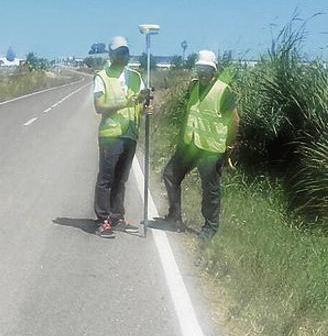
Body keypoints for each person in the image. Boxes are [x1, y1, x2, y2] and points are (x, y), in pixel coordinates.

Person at [159, 50, 239, 240]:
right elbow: (191, 113)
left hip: (211, 149)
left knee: (210, 189)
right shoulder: (194, 86)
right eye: (200, 68)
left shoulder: (223, 90)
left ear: (214, 71)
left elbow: (235, 121)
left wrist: (229, 146)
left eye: (207, 69)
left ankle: (210, 228)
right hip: (190, 144)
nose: (202, 73)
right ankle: (175, 217)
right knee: (170, 174)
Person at [93, 36, 151, 238]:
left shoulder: (135, 76)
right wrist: (125, 103)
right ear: (111, 55)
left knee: (121, 179)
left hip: (130, 133)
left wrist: (145, 103)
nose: (123, 56)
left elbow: (140, 104)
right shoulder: (102, 77)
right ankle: (103, 220)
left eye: (125, 52)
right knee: (106, 179)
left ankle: (116, 217)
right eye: (119, 52)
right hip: (111, 134)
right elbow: (99, 107)